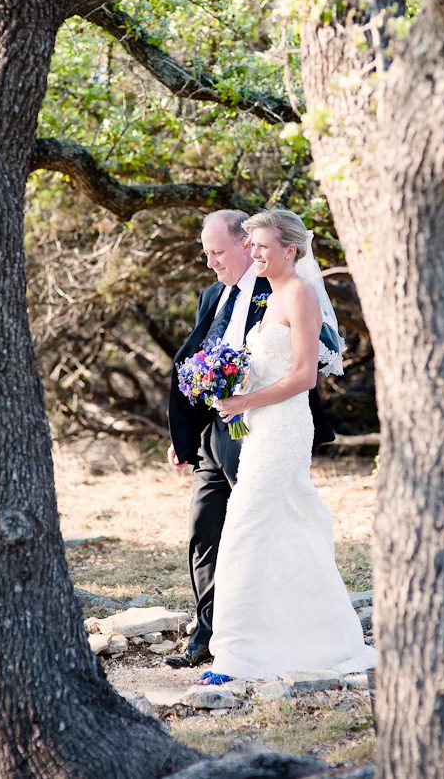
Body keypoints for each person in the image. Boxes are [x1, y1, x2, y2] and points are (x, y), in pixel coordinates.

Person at [198, 209, 375, 683]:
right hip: (260, 427)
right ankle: (304, 638)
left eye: (261, 246)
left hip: (283, 427)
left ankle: (237, 656)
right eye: (251, 245)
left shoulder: (300, 294)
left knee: (246, 528)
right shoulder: (273, 295)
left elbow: (302, 376)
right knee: (284, 530)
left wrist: (244, 400)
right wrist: (225, 381)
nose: (252, 253)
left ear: (290, 250)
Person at [165, 209, 335, 668]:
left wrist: (249, 393)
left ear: (246, 244)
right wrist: (185, 434)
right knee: (205, 531)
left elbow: (320, 353)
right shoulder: (211, 297)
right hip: (214, 430)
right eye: (206, 253)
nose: (211, 262)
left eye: (217, 252)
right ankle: (208, 635)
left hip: (263, 426)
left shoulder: (280, 286)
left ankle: (267, 629)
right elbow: (197, 361)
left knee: (258, 530)